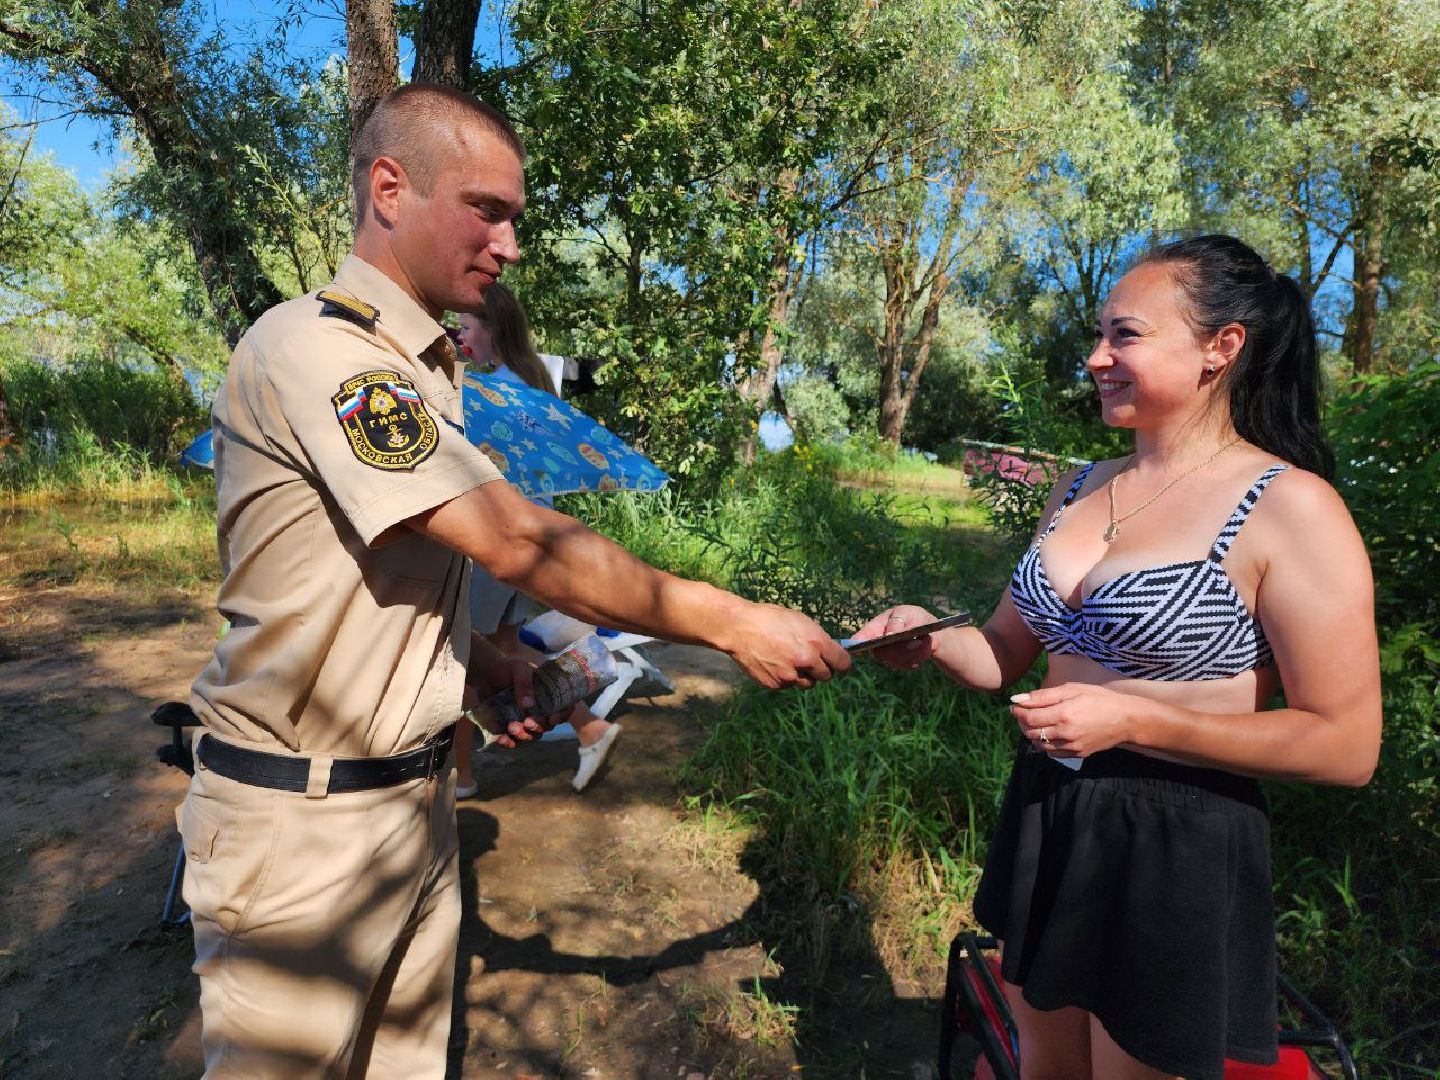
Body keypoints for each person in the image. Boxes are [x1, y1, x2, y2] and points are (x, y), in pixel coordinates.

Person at [180, 83, 849, 1079]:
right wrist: (732, 620)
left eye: (515, 219)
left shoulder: (425, 371)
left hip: (413, 810)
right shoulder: (321, 351)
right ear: (390, 186)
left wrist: (480, 664)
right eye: (486, 210)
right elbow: (516, 540)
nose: (510, 245)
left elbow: (389, 569)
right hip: (303, 834)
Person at [856, 235, 1380, 1080]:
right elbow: (1003, 653)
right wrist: (932, 635)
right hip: (1047, 814)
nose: (1097, 357)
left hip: (1172, 845)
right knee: (1042, 1069)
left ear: (1223, 347)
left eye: (1125, 335)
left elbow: (1347, 745)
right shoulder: (1079, 485)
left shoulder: (1291, 508)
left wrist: (1135, 718)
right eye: (1099, 335)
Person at [451, 284, 623, 796]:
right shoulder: (533, 382)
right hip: (530, 539)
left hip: (493, 544)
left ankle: (459, 777)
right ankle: (592, 726)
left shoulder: (487, 395)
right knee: (504, 652)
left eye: (465, 328)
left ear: (489, 330)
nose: (461, 338)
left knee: (454, 655)